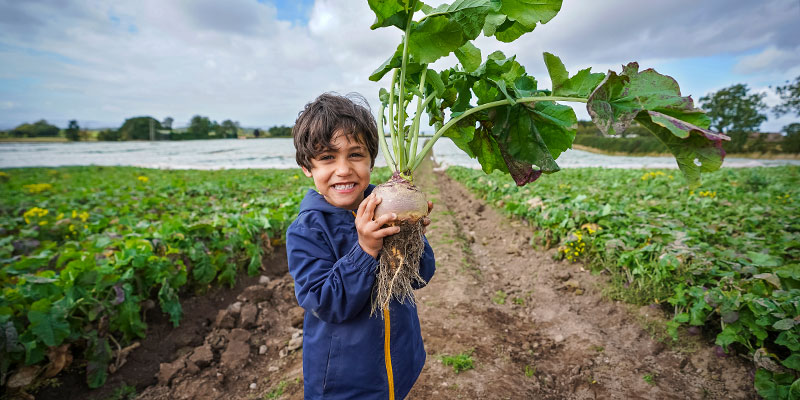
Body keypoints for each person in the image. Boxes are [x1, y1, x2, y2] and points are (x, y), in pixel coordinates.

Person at [286, 92, 436, 399]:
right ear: (307, 166)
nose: (343, 169)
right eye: (327, 157)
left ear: (371, 158)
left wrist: (413, 237)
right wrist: (366, 250)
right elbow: (325, 302)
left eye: (355, 155)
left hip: (398, 361)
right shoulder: (307, 231)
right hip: (346, 382)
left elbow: (420, 277)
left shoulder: (385, 210)